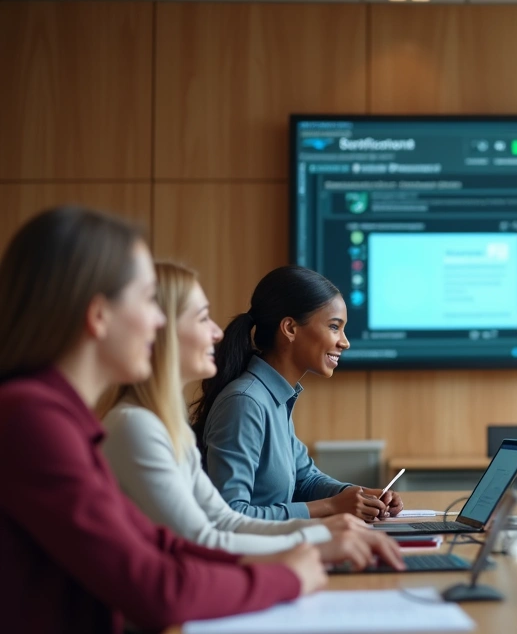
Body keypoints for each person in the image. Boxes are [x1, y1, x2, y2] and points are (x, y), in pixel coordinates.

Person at [0, 207, 325, 633]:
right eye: (147, 300)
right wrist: (287, 576)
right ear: (99, 316)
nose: (158, 322)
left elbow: (162, 545)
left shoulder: (59, 417)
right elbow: (158, 588)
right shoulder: (32, 420)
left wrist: (307, 546)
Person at [100, 261, 403, 571]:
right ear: (158, 329)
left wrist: (348, 501)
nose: (217, 332)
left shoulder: (172, 424)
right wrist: (324, 526)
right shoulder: (232, 403)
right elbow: (211, 534)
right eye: (203, 318)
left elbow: (224, 520)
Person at [194, 266, 404, 521]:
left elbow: (305, 480)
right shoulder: (245, 402)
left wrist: (359, 496)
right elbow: (231, 514)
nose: (345, 342)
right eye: (334, 327)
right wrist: (332, 506)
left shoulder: (276, 398)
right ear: (290, 328)